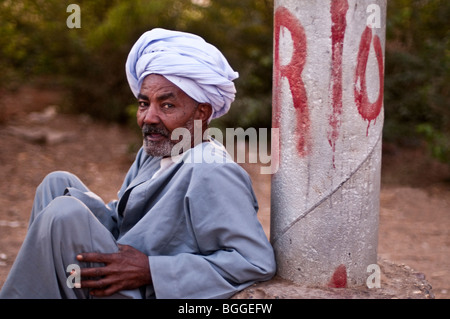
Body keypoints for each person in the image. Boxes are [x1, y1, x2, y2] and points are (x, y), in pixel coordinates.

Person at [0, 28, 276, 299]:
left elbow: (254, 262)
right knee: (57, 184)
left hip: (139, 289)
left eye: (167, 106)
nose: (149, 118)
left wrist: (152, 270)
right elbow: (127, 219)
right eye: (144, 104)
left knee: (64, 212)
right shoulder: (155, 150)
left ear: (201, 113)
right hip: (118, 264)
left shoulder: (213, 171)